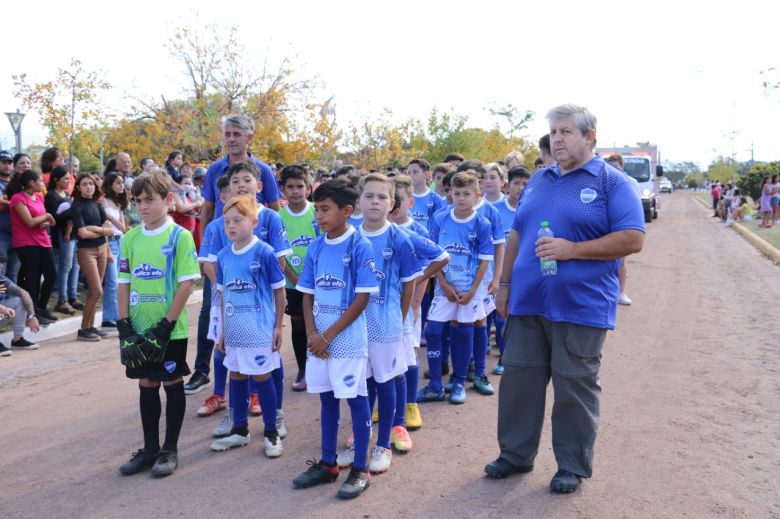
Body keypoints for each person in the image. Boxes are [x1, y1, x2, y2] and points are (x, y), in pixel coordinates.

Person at [485, 104, 645, 495]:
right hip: (527, 303)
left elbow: (632, 238)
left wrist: (573, 250)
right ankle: (515, 454)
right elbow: (518, 234)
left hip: (582, 306)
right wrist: (504, 286)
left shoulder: (614, 183)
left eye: (567, 132)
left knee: (575, 388)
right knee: (520, 382)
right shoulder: (539, 180)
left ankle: (571, 465)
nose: (558, 139)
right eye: (554, 132)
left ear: (590, 137)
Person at [292, 179, 378, 499]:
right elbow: (307, 295)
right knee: (327, 399)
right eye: (317, 209)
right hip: (320, 343)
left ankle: (360, 468)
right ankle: (328, 463)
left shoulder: (359, 246)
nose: (319, 215)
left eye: (325, 209)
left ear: (347, 211)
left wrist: (328, 335)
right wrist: (314, 335)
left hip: (346, 341)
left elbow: (361, 299)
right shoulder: (316, 245)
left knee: (356, 400)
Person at [189, 114, 282, 395]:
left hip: (252, 255)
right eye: (227, 134)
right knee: (212, 310)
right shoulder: (216, 169)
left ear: (249, 137)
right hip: (221, 254)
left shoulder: (262, 170)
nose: (231, 139)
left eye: (236, 134)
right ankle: (202, 371)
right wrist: (206, 247)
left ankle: (258, 381)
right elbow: (206, 209)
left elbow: (275, 209)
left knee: (253, 311)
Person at [333, 173, 420, 474]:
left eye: (382, 197)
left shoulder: (400, 238)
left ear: (392, 204)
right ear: (358, 202)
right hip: (355, 326)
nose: (375, 201)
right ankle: (361, 440)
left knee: (385, 381)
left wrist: (398, 317)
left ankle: (383, 444)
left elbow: (409, 284)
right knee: (361, 384)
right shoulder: (350, 235)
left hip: (386, 327)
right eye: (369, 196)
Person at [116, 171, 200, 478]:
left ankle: (170, 450)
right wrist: (124, 326)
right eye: (138, 201)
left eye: (150, 199)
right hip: (138, 328)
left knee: (171, 383)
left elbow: (186, 285)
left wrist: (165, 326)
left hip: (170, 330)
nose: (143, 207)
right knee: (146, 383)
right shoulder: (129, 239)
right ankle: (149, 449)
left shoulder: (180, 236)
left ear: (168, 200)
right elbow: (123, 283)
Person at [208, 195, 286, 458]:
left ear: (253, 222)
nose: (230, 226)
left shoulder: (264, 252)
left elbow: (279, 292)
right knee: (237, 376)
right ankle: (240, 430)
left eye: (237, 220)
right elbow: (221, 295)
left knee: (262, 377)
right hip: (234, 332)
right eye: (227, 221)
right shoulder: (222, 256)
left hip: (259, 331)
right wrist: (221, 332)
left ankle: (272, 432)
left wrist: (278, 327)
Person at [416, 171, 494, 405]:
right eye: (456, 193)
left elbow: (484, 260)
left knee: (464, 333)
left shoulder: (482, 223)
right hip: (444, 288)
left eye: (466, 194)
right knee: (432, 331)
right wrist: (443, 283)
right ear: (450, 193)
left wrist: (473, 291)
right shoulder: (440, 218)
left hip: (470, 291)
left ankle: (459, 382)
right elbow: (434, 256)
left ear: (477, 195)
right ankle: (435, 386)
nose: (461, 198)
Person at [278, 165, 319, 392]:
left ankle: (321, 365)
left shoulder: (317, 212)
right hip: (292, 282)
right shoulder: (279, 217)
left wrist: (312, 278)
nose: (295, 191)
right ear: (283, 189)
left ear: (308, 188)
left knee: (320, 322)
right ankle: (303, 369)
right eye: (290, 187)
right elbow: (279, 253)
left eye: (300, 186)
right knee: (298, 325)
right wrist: (295, 278)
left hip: (318, 281)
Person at [490, 166, 530, 375]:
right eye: (516, 183)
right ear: (507, 185)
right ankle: (503, 358)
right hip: (500, 271)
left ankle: (518, 356)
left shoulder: (533, 208)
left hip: (524, 271)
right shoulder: (496, 209)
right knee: (500, 314)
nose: (520, 188)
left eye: (525, 184)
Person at [7, 170, 58, 324]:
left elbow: (41, 221)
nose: (42, 184)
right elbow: (29, 222)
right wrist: (47, 216)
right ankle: (33, 312)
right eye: (40, 181)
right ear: (31, 183)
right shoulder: (17, 199)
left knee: (51, 274)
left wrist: (46, 221)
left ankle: (41, 307)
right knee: (33, 277)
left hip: (42, 239)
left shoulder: (39, 197)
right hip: (26, 242)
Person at [71, 173, 111, 342]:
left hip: (102, 249)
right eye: (85, 184)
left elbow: (108, 229)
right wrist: (100, 230)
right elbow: (82, 233)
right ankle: (83, 329)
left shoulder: (97, 204)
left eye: (91, 184)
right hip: (86, 251)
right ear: (78, 187)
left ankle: (91, 326)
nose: (89, 187)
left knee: (95, 291)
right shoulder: (76, 206)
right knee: (96, 290)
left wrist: (95, 229)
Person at [604, 153, 640, 306]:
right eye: (610, 165)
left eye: (616, 165)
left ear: (622, 166)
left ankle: (621, 292)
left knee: (621, 261)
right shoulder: (604, 180)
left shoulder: (630, 183)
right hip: (606, 226)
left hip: (621, 226)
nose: (614, 168)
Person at [44, 167, 79, 315]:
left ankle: (72, 296)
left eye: (69, 178)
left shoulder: (66, 194)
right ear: (56, 180)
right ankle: (62, 300)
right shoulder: (51, 196)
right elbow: (60, 215)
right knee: (65, 267)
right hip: (63, 235)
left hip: (74, 235)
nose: (68, 181)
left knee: (75, 266)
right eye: (65, 179)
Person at [100, 172, 129, 329]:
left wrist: (111, 219)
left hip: (120, 241)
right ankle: (108, 318)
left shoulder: (118, 203)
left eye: (122, 182)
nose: (121, 185)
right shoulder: (102, 201)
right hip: (109, 243)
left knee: (120, 282)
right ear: (110, 184)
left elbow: (123, 228)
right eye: (118, 182)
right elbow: (104, 228)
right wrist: (108, 251)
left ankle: (118, 316)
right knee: (111, 282)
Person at [0, 273, 42, 354]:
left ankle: (18, 339)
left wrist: (32, 317)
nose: (1, 265)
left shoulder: (1, 279)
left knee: (19, 301)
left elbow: (24, 293)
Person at [408, 159, 446, 231]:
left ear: (426, 174)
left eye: (415, 172)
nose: (411, 176)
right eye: (409, 173)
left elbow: (439, 224)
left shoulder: (435, 198)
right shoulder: (405, 197)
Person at [0, 150, 17, 279]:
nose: (7, 166)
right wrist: (18, 203)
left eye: (10, 163)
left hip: (18, 234)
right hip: (1, 235)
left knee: (13, 275)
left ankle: (10, 300)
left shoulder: (17, 183)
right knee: (1, 275)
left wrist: (7, 202)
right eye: (3, 162)